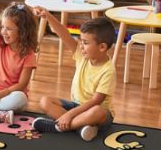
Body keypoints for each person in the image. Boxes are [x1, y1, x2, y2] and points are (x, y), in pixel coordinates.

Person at [32, 8, 116, 141]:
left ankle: (58, 126)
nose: (81, 46)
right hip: (77, 105)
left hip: (96, 112)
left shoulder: (108, 70)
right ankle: (79, 128)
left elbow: (96, 102)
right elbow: (63, 33)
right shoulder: (82, 55)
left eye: (86, 43)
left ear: (102, 47)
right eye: (81, 41)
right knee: (45, 101)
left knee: (97, 111)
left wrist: (69, 115)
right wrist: (48, 15)